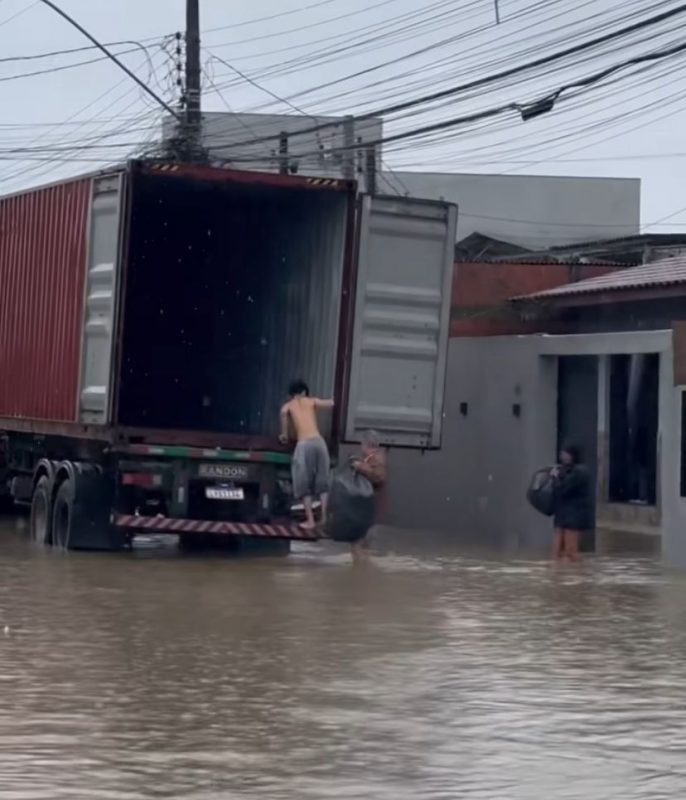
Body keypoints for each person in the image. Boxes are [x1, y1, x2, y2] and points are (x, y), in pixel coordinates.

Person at [279, 380, 334, 530]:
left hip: (304, 444)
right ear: (304, 392)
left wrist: (284, 435)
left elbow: (283, 418)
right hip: (319, 442)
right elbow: (330, 404)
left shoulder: (288, 406)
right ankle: (323, 518)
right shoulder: (311, 401)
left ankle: (310, 521)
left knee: (303, 483)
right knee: (322, 481)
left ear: (291, 394)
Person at [349, 430, 387, 561]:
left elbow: (379, 477)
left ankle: (359, 570)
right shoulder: (371, 459)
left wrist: (360, 467)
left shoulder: (376, 459)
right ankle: (362, 569)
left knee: (358, 546)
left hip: (368, 513)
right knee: (361, 547)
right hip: (367, 512)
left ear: (366, 445)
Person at [550, 444, 592, 561]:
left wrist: (555, 478)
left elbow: (563, 489)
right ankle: (559, 569)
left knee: (571, 552)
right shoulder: (568, 470)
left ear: (572, 455)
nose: (563, 457)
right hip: (563, 515)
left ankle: (575, 570)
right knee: (556, 551)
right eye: (562, 454)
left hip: (573, 515)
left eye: (565, 454)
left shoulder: (579, 471)